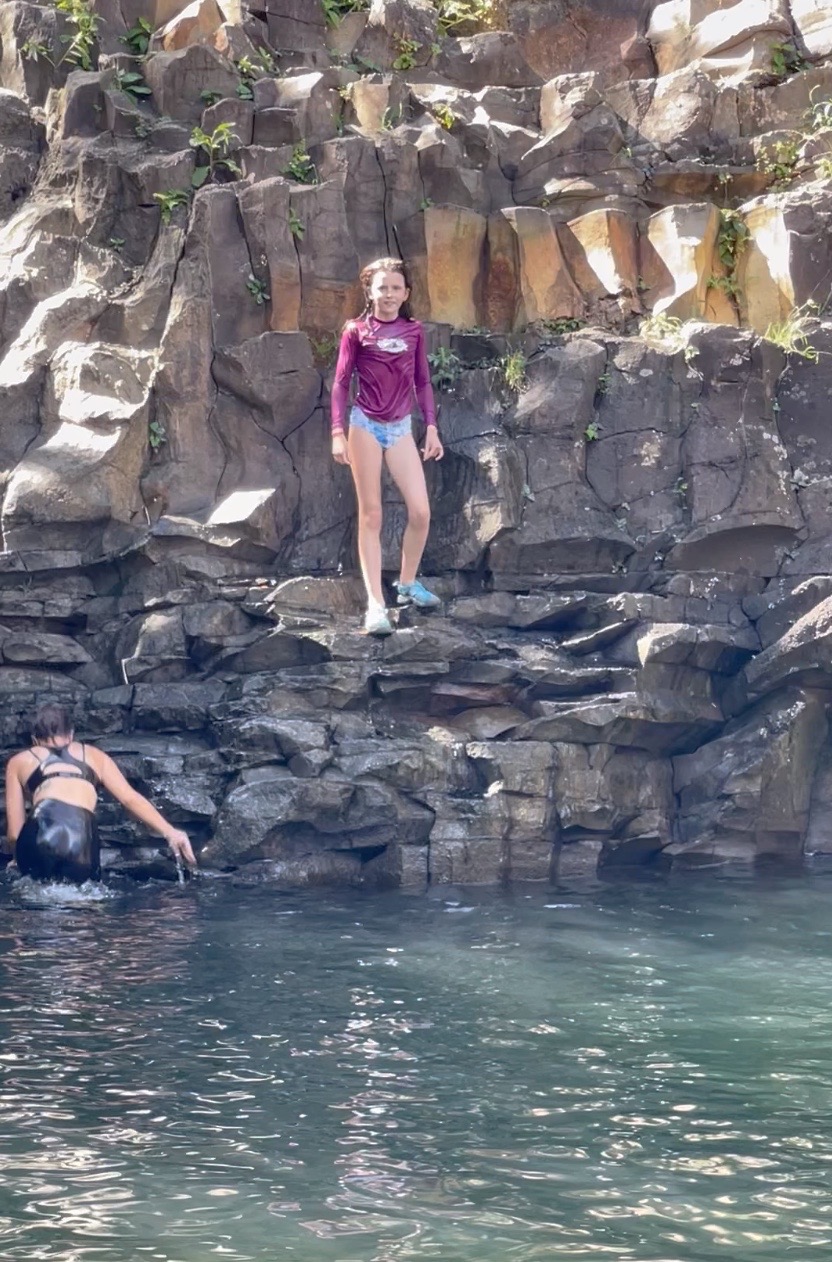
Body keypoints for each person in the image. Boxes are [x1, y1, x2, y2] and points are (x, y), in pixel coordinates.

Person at [331, 256, 445, 636]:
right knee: (372, 515)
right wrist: (337, 431)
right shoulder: (355, 331)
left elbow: (423, 382)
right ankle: (375, 605)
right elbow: (341, 384)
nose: (389, 294)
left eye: (396, 287)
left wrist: (431, 427)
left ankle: (407, 584)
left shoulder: (414, 331)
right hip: (365, 424)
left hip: (400, 428)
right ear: (370, 291)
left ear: (406, 292)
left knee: (421, 512)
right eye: (383, 287)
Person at [5, 702, 197, 883]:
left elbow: (14, 834)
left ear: (34, 740)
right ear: (71, 734)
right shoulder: (95, 756)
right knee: (82, 901)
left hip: (38, 832)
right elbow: (130, 799)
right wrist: (170, 832)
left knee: (36, 897)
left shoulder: (19, 761)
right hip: (80, 833)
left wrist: (18, 858)